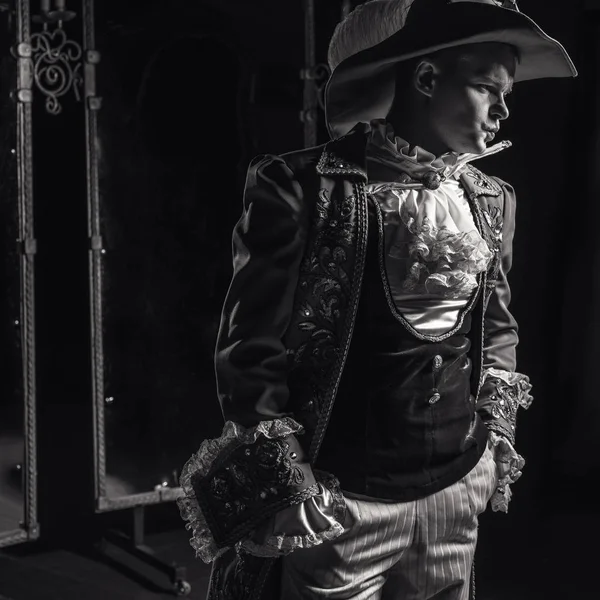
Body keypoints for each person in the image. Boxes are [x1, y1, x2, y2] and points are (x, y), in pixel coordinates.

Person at [177, 1, 577, 599]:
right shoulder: (302, 188)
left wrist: (494, 440)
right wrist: (290, 483)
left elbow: (496, 326)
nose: (502, 110)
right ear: (424, 79)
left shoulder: (493, 200)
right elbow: (249, 350)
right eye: (486, 88)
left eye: (507, 92)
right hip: (344, 505)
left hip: (455, 493)